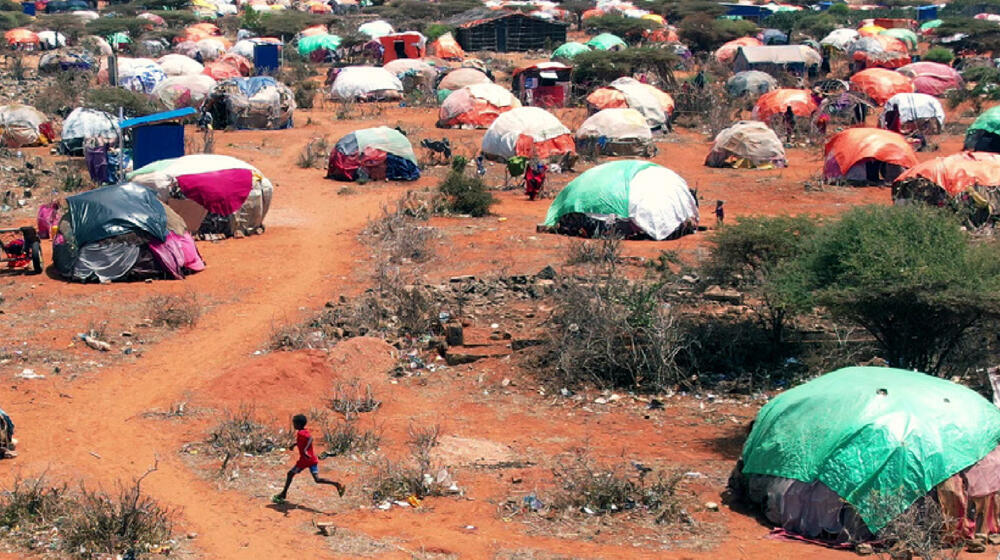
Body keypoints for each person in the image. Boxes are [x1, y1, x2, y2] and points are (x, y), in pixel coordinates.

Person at [272, 414, 345, 503]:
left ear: (298, 424)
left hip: (304, 460)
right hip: (312, 460)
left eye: (294, 423)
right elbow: (304, 440)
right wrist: (294, 445)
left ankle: (283, 494)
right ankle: (336, 484)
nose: (294, 425)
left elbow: (310, 439)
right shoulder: (304, 432)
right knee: (317, 479)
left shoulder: (301, 433)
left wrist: (305, 450)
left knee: (290, 474)